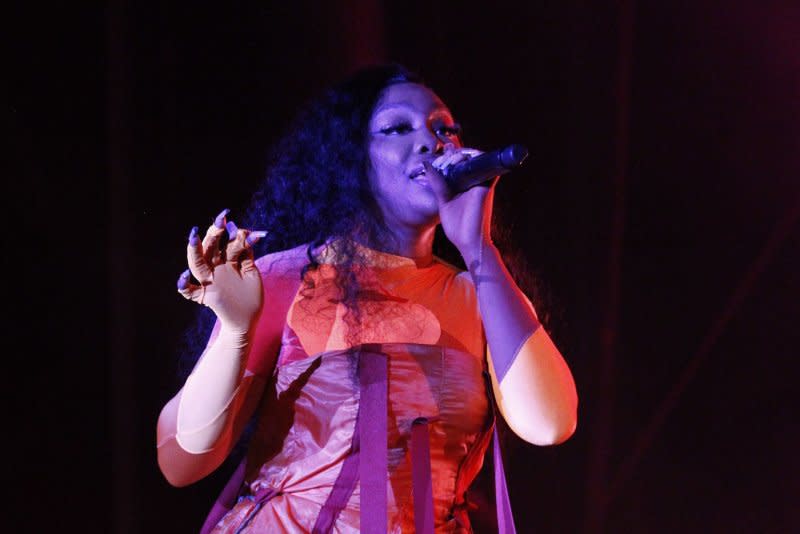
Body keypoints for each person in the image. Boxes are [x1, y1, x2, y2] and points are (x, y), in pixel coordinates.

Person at [156, 63, 578, 533]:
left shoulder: (478, 293)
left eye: (445, 129)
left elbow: (550, 424)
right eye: (398, 128)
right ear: (352, 157)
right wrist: (235, 330)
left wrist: (479, 247)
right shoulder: (284, 279)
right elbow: (180, 462)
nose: (431, 142)